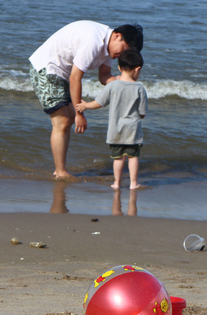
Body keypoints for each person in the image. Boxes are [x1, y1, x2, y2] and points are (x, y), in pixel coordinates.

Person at [29, 21, 143, 179]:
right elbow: (75, 77)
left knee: (66, 122)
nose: (122, 56)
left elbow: (104, 77)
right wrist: (79, 113)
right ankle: (60, 172)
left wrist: (121, 81)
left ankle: (60, 169)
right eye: (124, 50)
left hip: (61, 74)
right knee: (62, 121)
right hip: (46, 69)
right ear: (118, 36)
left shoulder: (109, 48)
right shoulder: (94, 41)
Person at [75, 49, 147, 190]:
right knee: (133, 157)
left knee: (118, 158)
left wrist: (85, 106)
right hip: (133, 129)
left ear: (119, 67)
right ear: (137, 69)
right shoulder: (140, 88)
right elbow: (143, 113)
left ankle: (117, 183)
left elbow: (99, 102)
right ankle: (133, 183)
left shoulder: (112, 85)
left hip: (116, 129)